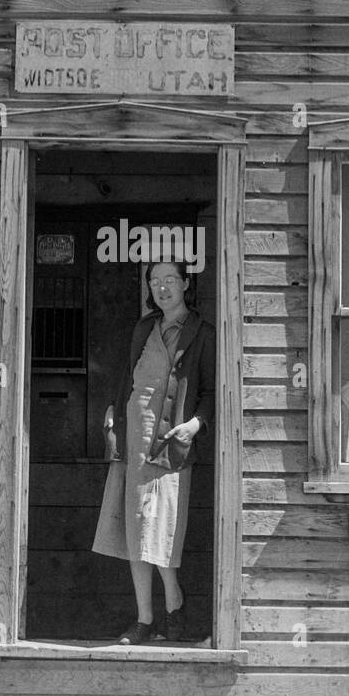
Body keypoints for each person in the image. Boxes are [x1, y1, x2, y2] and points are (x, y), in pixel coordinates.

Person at [92, 260, 215, 644]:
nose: (162, 288)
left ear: (185, 284)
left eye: (170, 281)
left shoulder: (202, 333)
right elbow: (127, 378)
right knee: (135, 530)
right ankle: (145, 618)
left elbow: (211, 391)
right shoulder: (144, 328)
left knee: (161, 529)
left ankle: (174, 600)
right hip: (135, 440)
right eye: (155, 281)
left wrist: (195, 425)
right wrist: (115, 414)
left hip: (171, 442)